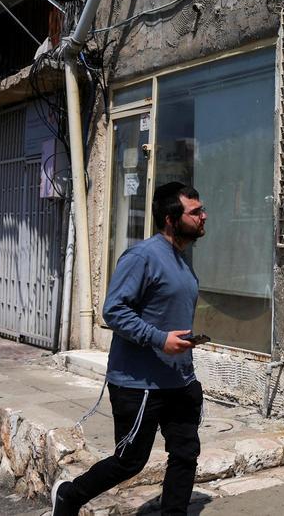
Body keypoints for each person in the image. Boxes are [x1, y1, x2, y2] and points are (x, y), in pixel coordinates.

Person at [52, 182, 207, 515]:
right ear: (171, 218)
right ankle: (69, 495)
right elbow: (115, 310)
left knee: (185, 452)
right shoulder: (142, 256)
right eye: (195, 212)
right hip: (140, 384)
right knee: (130, 461)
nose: (203, 217)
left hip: (179, 379)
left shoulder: (181, 260)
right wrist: (160, 339)